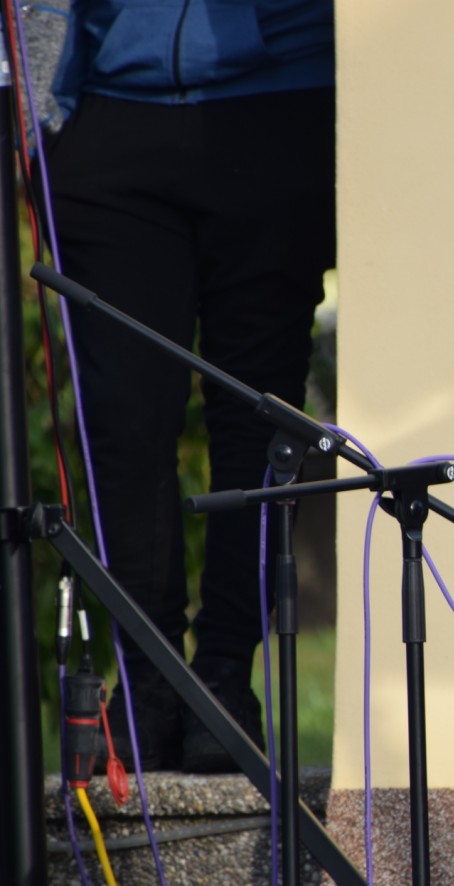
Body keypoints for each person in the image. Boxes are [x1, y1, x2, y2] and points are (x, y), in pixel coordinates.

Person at [47, 0, 336, 772]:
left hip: (281, 98)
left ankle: (224, 684)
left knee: (259, 417)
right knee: (123, 419)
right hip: (107, 112)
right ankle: (145, 683)